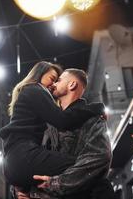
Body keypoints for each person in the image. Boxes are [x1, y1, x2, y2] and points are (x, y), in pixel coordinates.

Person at [0, 61, 105, 191]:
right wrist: (97, 107)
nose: (53, 84)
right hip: (23, 156)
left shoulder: (39, 107)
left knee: (85, 169)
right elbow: (62, 120)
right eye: (52, 79)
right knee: (84, 168)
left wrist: (21, 190)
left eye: (57, 80)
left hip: (15, 162)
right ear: (39, 74)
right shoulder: (35, 89)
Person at [16, 69, 114, 199]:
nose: (53, 84)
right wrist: (21, 192)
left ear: (72, 84)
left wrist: (55, 184)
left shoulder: (92, 120)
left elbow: (98, 158)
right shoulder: (47, 124)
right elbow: (32, 159)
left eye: (59, 80)